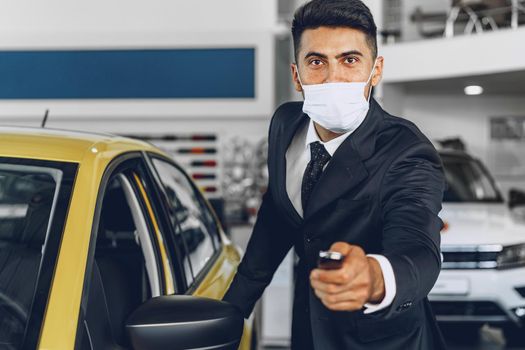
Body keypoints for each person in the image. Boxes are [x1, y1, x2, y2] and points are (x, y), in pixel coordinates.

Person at [223, 0, 447, 349]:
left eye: (350, 60)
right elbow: (276, 219)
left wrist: (375, 277)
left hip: (382, 339)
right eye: (316, 62)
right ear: (297, 75)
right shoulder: (285, 124)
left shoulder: (406, 150)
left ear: (376, 71)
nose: (333, 78)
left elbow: (418, 246)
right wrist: (231, 313)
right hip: (309, 330)